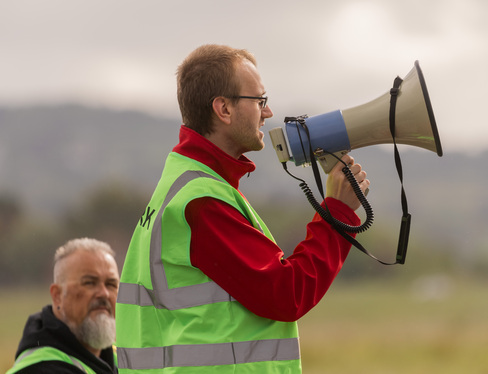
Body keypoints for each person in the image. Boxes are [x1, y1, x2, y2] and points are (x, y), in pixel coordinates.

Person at [115, 44, 370, 373]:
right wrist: (337, 215)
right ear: (223, 108)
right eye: (259, 100)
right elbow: (285, 293)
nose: (267, 112)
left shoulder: (189, 182)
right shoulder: (201, 200)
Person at [7, 238, 120, 374]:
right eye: (89, 283)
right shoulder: (39, 369)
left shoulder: (121, 359)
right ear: (57, 296)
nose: (104, 293)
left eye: (111, 284)